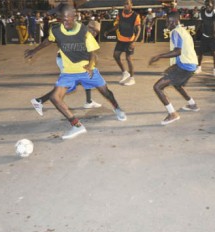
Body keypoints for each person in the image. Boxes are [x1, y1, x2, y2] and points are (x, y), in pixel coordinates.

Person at [25, 4, 127, 139]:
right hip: (68, 72)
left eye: (67, 19)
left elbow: (92, 53)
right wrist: (34, 50)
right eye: (62, 19)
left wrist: (90, 66)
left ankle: (117, 108)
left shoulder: (84, 31)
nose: (65, 23)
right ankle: (76, 125)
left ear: (74, 17)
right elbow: (48, 41)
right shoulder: (56, 30)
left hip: (86, 69)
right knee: (55, 97)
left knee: (106, 92)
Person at [28, 20, 102, 116]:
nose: (94, 33)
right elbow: (49, 40)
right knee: (68, 84)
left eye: (97, 32)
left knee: (87, 76)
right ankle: (39, 101)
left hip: (70, 61)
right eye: (93, 30)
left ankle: (89, 101)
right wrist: (34, 50)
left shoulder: (85, 35)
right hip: (64, 60)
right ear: (88, 26)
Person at [149, 11, 199, 125]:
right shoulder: (183, 31)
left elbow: (177, 52)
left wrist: (159, 56)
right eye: (167, 21)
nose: (167, 24)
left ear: (175, 21)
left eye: (169, 21)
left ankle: (172, 113)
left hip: (185, 66)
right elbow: (184, 52)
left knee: (157, 87)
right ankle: (192, 104)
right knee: (177, 84)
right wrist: (173, 67)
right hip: (190, 64)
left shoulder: (175, 32)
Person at [103, 0, 141, 86]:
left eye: (127, 4)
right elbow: (117, 26)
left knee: (128, 58)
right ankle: (125, 72)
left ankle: (132, 78)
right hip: (121, 39)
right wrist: (108, 31)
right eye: (124, 4)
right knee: (116, 55)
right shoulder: (120, 14)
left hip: (130, 40)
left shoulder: (136, 16)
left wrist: (134, 42)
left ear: (131, 5)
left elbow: (139, 30)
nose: (125, 5)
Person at [195, 0, 215, 77]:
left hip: (214, 37)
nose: (208, 7)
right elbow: (200, 22)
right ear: (205, 5)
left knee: (214, 53)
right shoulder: (202, 13)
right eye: (207, 5)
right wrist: (196, 30)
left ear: (213, 6)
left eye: (210, 6)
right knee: (200, 52)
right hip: (205, 35)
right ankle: (199, 67)